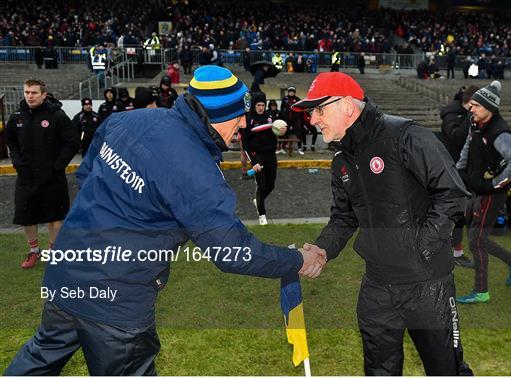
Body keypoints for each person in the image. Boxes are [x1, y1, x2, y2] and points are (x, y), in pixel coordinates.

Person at [4, 66, 326, 376]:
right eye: (236, 115)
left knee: (38, 359)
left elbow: (87, 174)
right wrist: (296, 260)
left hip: (66, 275)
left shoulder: (128, 120)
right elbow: (232, 252)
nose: (242, 123)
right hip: (119, 303)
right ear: (212, 116)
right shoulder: (198, 172)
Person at [292, 72, 473, 376]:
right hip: (376, 286)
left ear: (347, 105)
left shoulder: (406, 136)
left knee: (446, 370)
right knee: (379, 371)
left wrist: (420, 248)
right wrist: (322, 249)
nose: (313, 120)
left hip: (427, 284)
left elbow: (453, 195)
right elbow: (344, 217)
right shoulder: (342, 160)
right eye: (311, 113)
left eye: (319, 110)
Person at [456, 81, 511, 304]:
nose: (471, 108)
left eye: (476, 105)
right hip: (477, 187)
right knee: (477, 236)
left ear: (489, 107)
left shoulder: (500, 133)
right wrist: (459, 170)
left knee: (476, 240)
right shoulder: (475, 123)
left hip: (492, 192)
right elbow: (468, 147)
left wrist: (494, 184)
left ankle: (481, 291)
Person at [5, 79, 79, 269]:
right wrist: (17, 161)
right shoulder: (16, 117)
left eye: (34, 93)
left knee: (55, 216)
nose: (30, 96)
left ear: (44, 95)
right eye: (27, 92)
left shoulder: (57, 115)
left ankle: (53, 252)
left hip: (52, 176)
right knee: (27, 216)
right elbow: (10, 140)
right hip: (26, 176)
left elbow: (72, 142)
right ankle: (34, 251)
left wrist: (58, 165)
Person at [440, 85, 479, 268]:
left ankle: (456, 251)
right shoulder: (451, 115)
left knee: (459, 215)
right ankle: (448, 251)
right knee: (450, 214)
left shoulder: (464, 114)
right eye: (476, 105)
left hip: (462, 171)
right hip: (449, 172)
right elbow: (456, 138)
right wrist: (470, 118)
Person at [240, 92, 278, 226]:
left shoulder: (270, 116)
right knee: (261, 186)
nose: (261, 108)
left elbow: (275, 133)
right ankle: (262, 215)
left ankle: (258, 200)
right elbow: (245, 144)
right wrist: (253, 162)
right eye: (258, 105)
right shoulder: (249, 119)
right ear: (254, 106)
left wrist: (281, 129)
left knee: (271, 185)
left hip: (271, 155)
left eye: (263, 105)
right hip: (258, 156)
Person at [280, 86, 304, 154]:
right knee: (285, 133)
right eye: (290, 91)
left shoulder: (298, 99)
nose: (291, 93)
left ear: (294, 92)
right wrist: (284, 116)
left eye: (292, 92)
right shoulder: (285, 99)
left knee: (298, 134)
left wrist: (296, 117)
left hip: (295, 120)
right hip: (286, 120)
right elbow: (282, 109)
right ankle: (283, 148)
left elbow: (300, 110)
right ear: (288, 92)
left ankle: (299, 148)